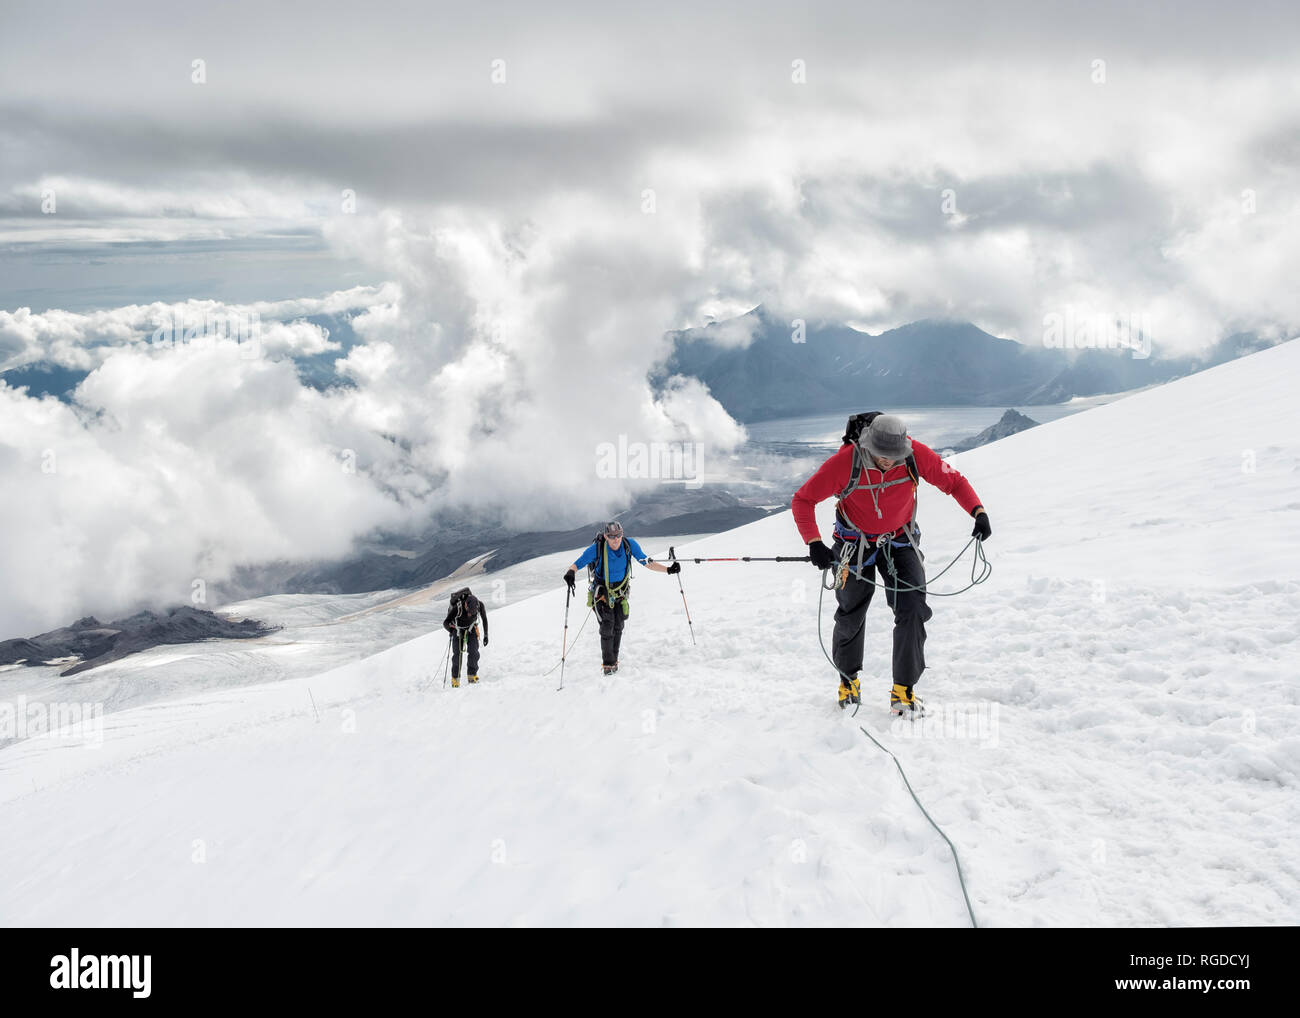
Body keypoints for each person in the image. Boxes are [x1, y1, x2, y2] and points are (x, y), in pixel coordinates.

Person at [792, 413, 991, 715]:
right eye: (881, 455)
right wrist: (814, 542)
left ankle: (903, 690)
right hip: (853, 545)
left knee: (912, 607)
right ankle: (848, 681)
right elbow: (803, 500)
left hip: (899, 540)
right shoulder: (846, 462)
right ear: (868, 445)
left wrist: (978, 511)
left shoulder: (915, 455)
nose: (887, 461)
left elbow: (954, 482)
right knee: (851, 612)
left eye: (894, 456)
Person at [562, 521, 681, 674]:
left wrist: (668, 570)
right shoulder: (597, 548)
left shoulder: (629, 545)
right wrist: (570, 573)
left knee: (618, 626)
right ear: (606, 536)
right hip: (602, 593)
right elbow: (577, 563)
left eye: (618, 536)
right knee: (607, 627)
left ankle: (614, 661)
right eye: (612, 537)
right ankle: (608, 665)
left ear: (622, 534)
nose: (616, 540)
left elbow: (646, 562)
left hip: (621, 592)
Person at [443, 587, 488, 688]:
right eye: (468, 611)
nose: (469, 614)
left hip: (471, 628)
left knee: (474, 652)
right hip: (457, 630)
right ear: (466, 604)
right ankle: (455, 679)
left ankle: (472, 676)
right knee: (457, 655)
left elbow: (484, 618)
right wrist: (452, 631)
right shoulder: (457, 608)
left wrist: (486, 635)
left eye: (472, 613)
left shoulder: (480, 605)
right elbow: (446, 622)